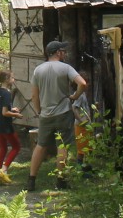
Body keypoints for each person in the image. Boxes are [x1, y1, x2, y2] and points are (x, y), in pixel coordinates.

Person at [27, 40, 87, 191]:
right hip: (63, 113)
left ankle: (31, 180)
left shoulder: (38, 70)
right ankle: (61, 180)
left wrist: (39, 110)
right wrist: (74, 96)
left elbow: (35, 95)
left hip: (45, 114)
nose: (65, 53)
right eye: (63, 51)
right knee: (62, 146)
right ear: (58, 52)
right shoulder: (66, 68)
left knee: (40, 146)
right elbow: (83, 84)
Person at [0, 70, 22, 184]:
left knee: (3, 149)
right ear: (7, 80)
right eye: (12, 78)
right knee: (16, 147)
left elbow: (2, 108)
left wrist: (12, 109)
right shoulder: (7, 93)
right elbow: (5, 113)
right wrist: (16, 115)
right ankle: (3, 170)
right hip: (5, 125)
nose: (13, 80)